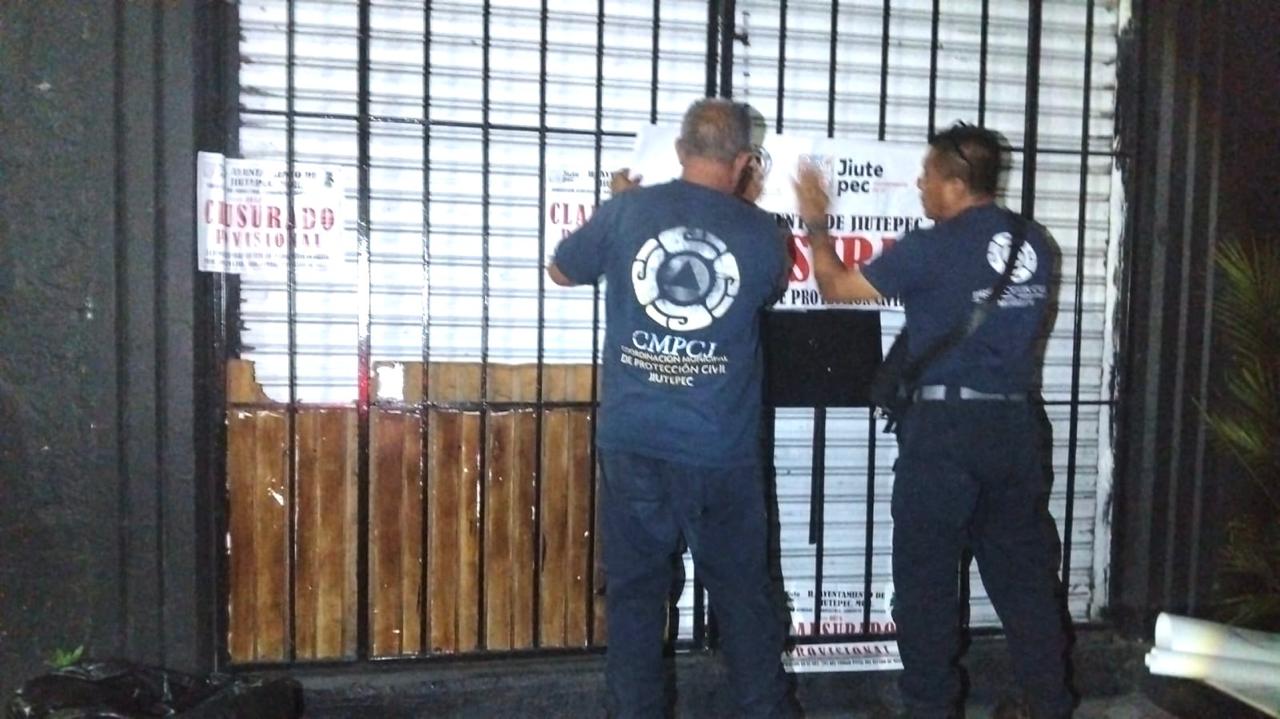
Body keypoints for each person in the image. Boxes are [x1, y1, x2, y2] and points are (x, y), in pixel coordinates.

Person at [793, 122, 1074, 719]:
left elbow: (837, 288)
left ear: (955, 183)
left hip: (946, 430)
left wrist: (816, 222)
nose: (919, 186)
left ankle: (930, 707)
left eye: (926, 177)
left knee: (926, 581)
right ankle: (1049, 702)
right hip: (1016, 426)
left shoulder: (933, 246)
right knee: (1025, 579)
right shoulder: (1035, 242)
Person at [548, 98, 793, 718]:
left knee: (635, 603)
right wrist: (744, 203)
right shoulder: (764, 235)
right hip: (721, 451)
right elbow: (766, 288)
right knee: (745, 603)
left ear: (682, 151)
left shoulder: (626, 211)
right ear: (744, 161)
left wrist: (618, 209)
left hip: (633, 443)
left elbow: (561, 271)